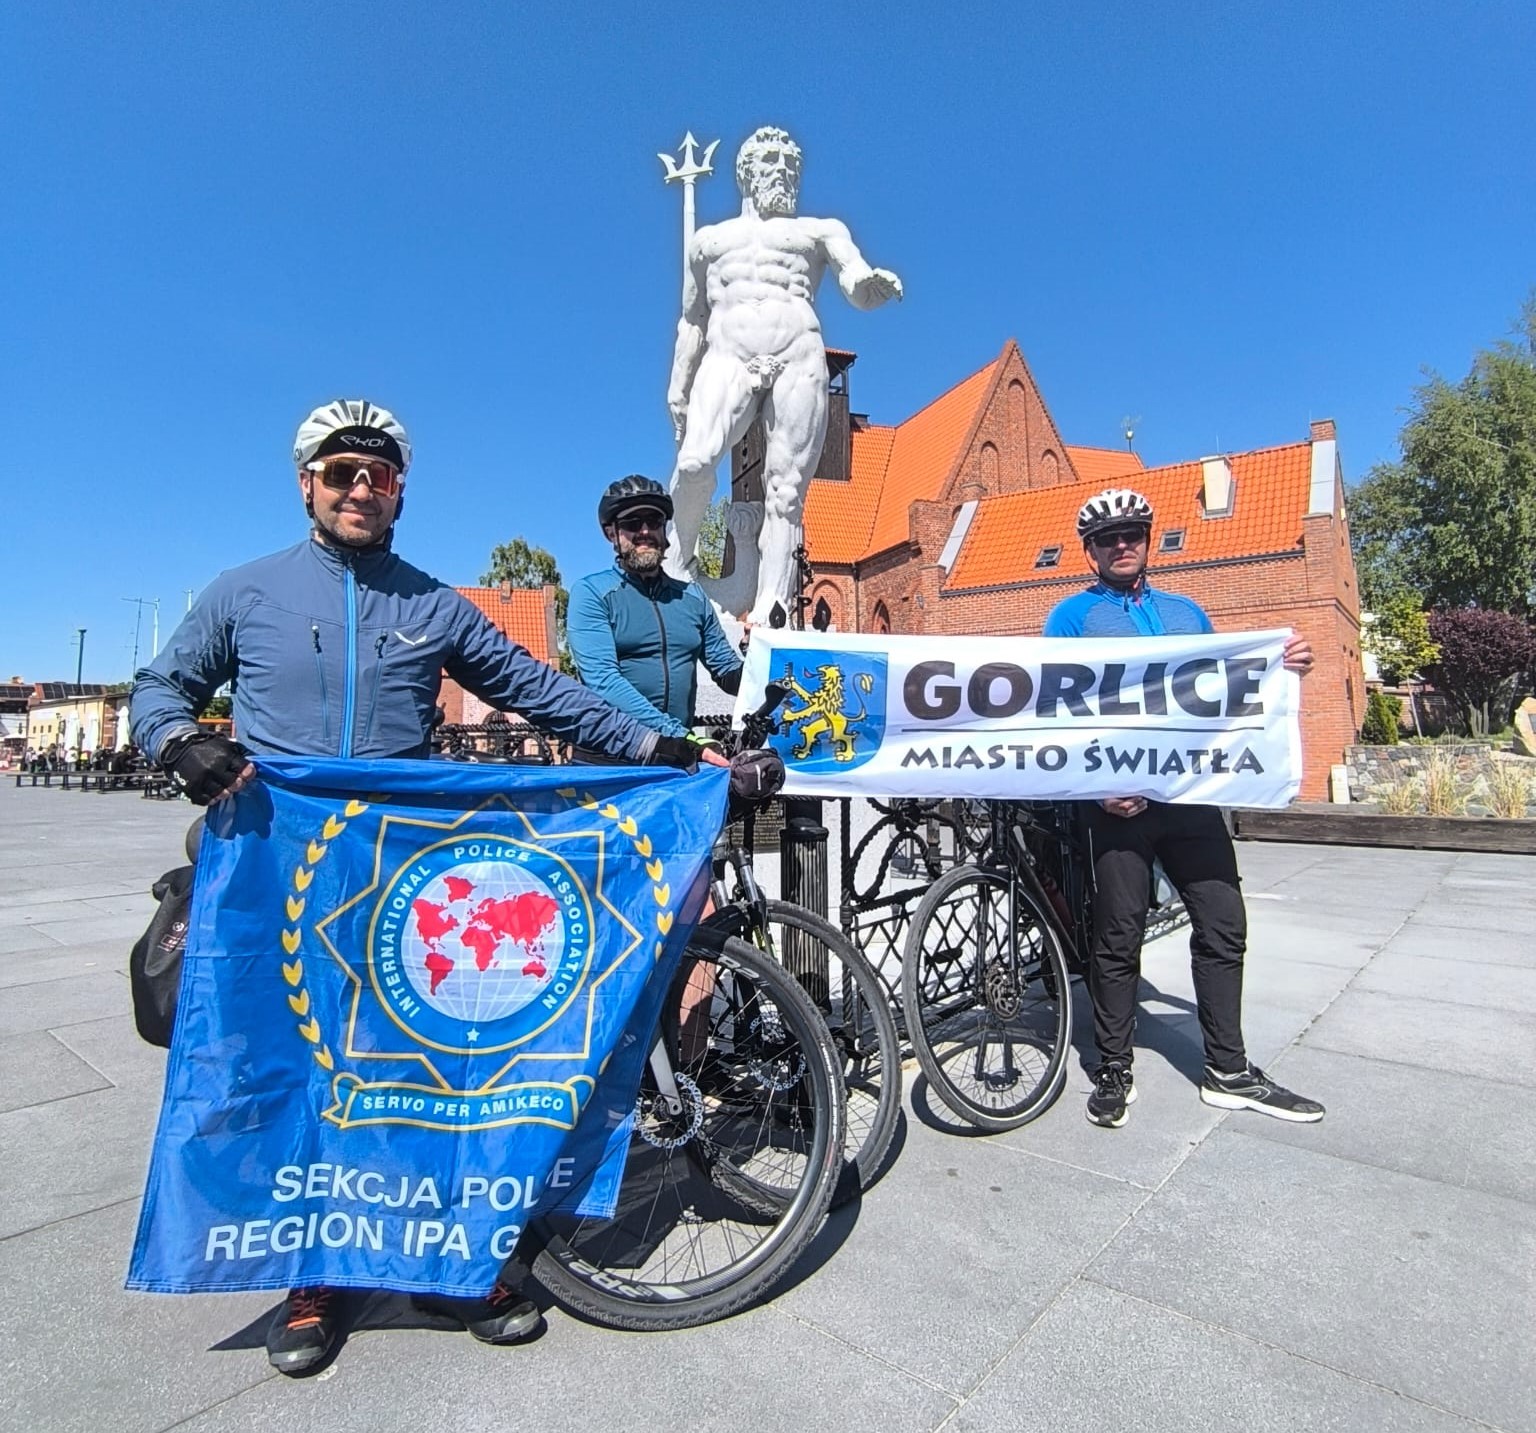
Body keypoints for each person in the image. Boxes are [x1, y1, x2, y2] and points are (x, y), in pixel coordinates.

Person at [132, 399, 711, 1376]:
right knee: (302, 1073)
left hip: (404, 878)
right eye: (342, 471)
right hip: (288, 872)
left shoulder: (433, 605)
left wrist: (658, 745)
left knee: (430, 1069)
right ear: (308, 483)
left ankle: (450, 1258)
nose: (361, 488)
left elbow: (545, 690)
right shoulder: (246, 592)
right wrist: (177, 738)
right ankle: (312, 1271)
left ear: (400, 488)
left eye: (381, 474)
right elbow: (161, 685)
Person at [1042, 487, 1325, 1131]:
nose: (1122, 545)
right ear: (1089, 551)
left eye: (1132, 535)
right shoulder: (1071, 617)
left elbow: (1225, 689)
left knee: (1224, 925)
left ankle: (1228, 1068)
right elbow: (1053, 713)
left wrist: (1283, 667)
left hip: (1188, 797)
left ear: (1146, 542)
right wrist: (1094, 789)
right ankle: (1112, 1064)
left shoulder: (1186, 611)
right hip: (1115, 804)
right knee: (1117, 936)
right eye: (1108, 538)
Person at [664, 126, 902, 624]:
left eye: (790, 165)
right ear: (746, 171)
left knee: (785, 490)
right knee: (694, 463)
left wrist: (868, 287)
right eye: (770, 162)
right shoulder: (710, 242)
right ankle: (678, 564)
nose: (782, 172)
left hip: (797, 351)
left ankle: (772, 608)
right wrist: (678, 385)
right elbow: (692, 320)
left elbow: (853, 277)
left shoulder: (819, 231)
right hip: (728, 353)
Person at [567, 476, 744, 755]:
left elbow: (726, 669)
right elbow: (604, 682)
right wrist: (678, 736)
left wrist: (771, 666)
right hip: (609, 757)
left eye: (654, 521)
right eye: (632, 524)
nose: (645, 531)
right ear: (611, 533)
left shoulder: (693, 598)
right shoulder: (591, 594)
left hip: (675, 756)